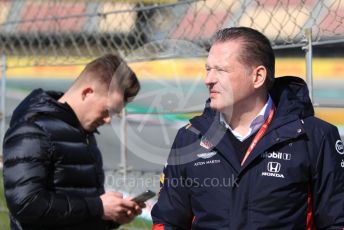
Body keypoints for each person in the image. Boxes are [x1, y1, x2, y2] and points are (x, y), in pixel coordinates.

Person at [151, 27, 344, 229]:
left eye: (221, 70)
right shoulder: (189, 138)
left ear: (258, 77)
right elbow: (167, 221)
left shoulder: (315, 137)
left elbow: (337, 221)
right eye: (208, 69)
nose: (208, 80)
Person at [2, 54, 144, 230]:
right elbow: (26, 204)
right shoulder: (32, 131)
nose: (108, 120)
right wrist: (99, 207)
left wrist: (111, 217)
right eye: (107, 110)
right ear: (87, 92)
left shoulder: (83, 134)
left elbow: (76, 207)